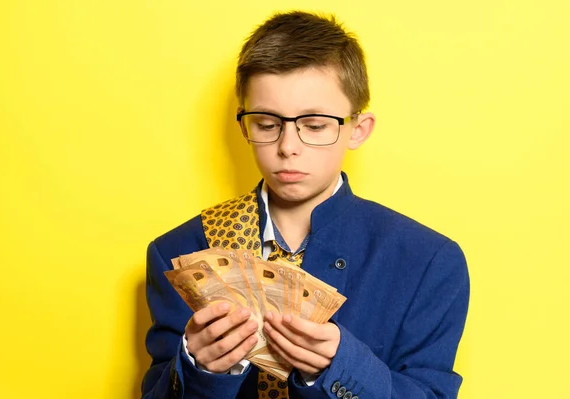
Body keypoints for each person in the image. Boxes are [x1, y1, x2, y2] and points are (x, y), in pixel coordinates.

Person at [141, 10, 469, 399]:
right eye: (266, 123)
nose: (288, 147)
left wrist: (342, 366)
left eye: (314, 125)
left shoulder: (429, 261)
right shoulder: (179, 253)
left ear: (357, 130)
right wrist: (200, 369)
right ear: (243, 126)